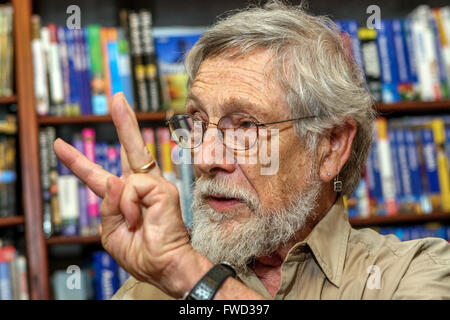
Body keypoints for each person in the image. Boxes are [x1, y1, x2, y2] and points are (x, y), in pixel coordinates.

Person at [54, 1, 450, 300]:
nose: (206, 158)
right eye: (197, 122)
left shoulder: (414, 272)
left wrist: (192, 276)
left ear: (329, 147)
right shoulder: (148, 289)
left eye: (245, 126)